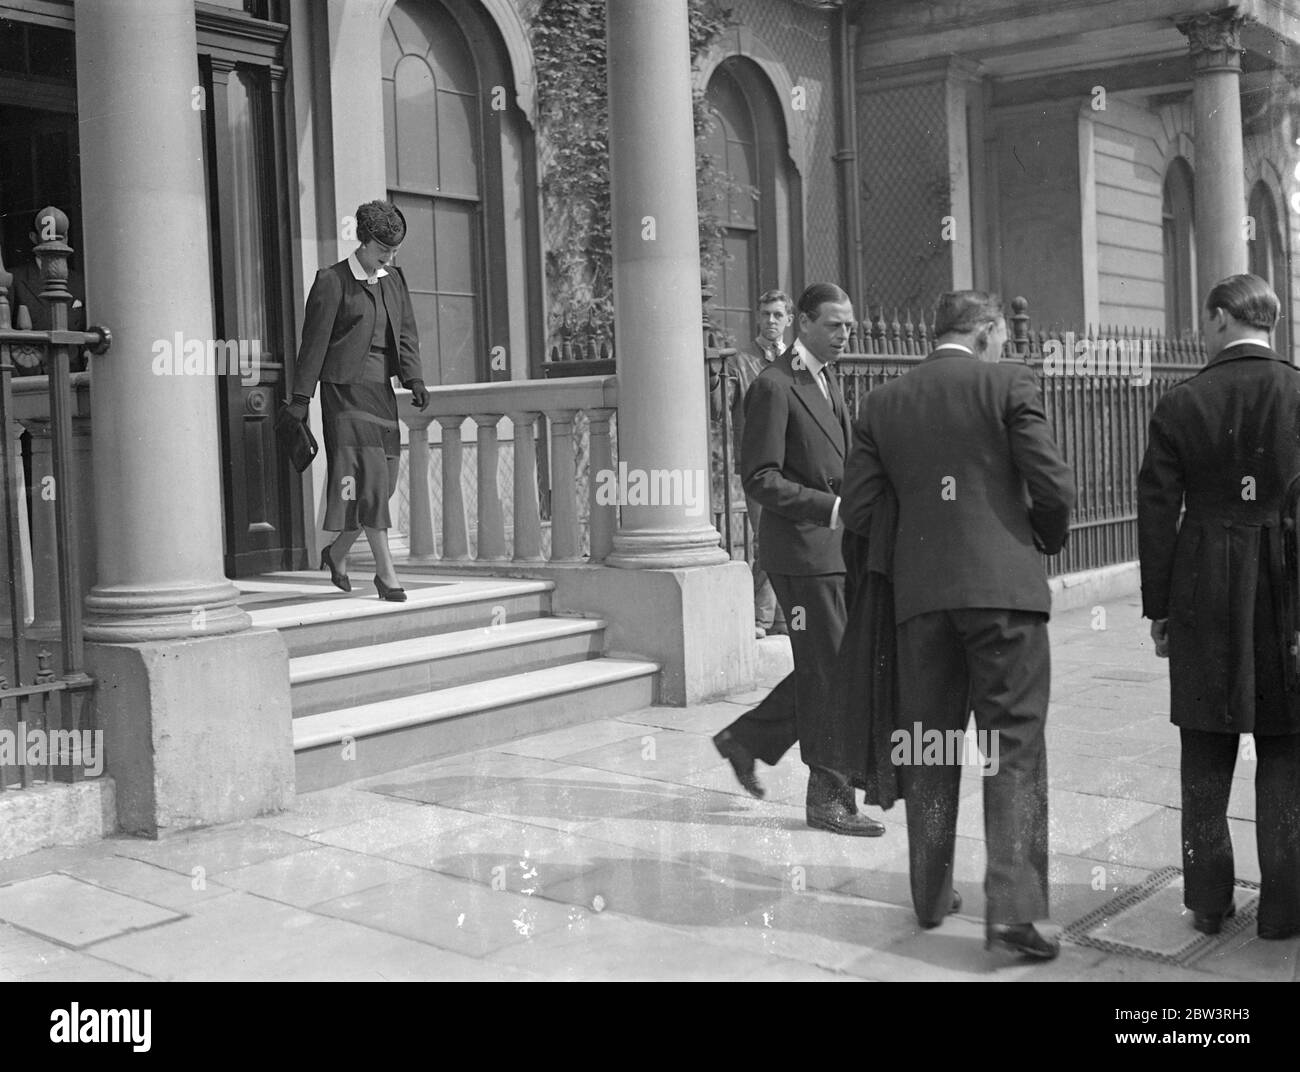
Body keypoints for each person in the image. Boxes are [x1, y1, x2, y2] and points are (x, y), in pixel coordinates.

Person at [840, 290, 1075, 959]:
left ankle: (931, 895)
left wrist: (922, 543)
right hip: (1004, 593)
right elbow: (1054, 488)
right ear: (986, 331)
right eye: (1000, 337)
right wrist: (1038, 541)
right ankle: (1018, 914)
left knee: (930, 746)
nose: (1002, 347)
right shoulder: (1008, 382)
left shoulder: (882, 403)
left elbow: (859, 507)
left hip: (922, 600)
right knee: (1015, 746)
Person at [1138, 273, 1300, 942]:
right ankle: (1287, 908)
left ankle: (1208, 901)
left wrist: (1160, 609)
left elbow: (1155, 512)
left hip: (1204, 580)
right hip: (1287, 584)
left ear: (1220, 319)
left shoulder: (1182, 401)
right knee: (1287, 747)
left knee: (1205, 745)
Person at [712, 282, 885, 837]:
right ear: (804, 323)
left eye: (850, 325)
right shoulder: (773, 386)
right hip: (802, 555)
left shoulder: (827, 378)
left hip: (836, 551)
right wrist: (832, 508)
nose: (845, 334)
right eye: (834, 324)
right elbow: (759, 479)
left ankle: (747, 740)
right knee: (834, 672)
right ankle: (828, 799)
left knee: (831, 665)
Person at [286, 200, 429, 602]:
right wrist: (301, 398)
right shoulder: (331, 281)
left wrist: (414, 378)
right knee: (368, 478)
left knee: (382, 483)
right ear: (362, 242)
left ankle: (338, 552)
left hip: (380, 392)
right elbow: (312, 345)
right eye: (383, 248)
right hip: (343, 395)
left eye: (394, 249)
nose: (390, 256)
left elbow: (406, 333)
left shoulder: (394, 280)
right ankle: (387, 575)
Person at [709, 289, 792, 637]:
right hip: (760, 464)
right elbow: (719, 408)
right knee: (767, 537)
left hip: (796, 463)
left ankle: (782, 619)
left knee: (791, 538)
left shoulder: (798, 360)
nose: (770, 321)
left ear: (788, 319)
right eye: (764, 314)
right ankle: (762, 617)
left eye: (776, 314)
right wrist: (714, 376)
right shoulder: (742, 363)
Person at [9, 209, 89, 372]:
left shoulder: (80, 281)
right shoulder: (15, 279)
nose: (54, 241)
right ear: (33, 237)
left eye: (61, 235)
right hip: (31, 376)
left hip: (74, 375)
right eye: (47, 234)